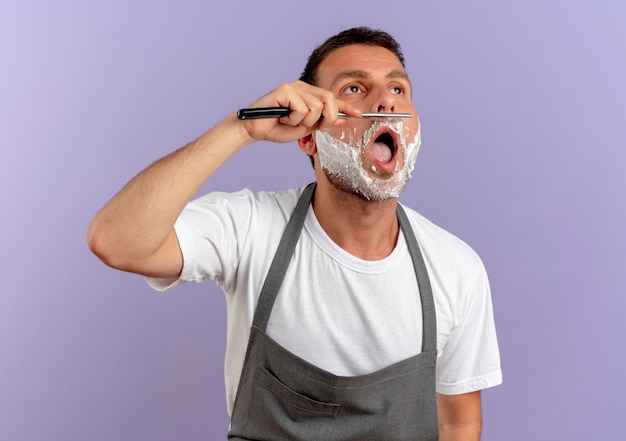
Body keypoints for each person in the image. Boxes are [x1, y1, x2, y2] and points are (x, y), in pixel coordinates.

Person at [88, 27, 502, 441]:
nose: (385, 101)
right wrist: (241, 128)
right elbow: (116, 241)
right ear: (309, 135)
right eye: (355, 87)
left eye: (398, 88)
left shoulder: (455, 268)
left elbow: (457, 421)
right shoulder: (250, 227)